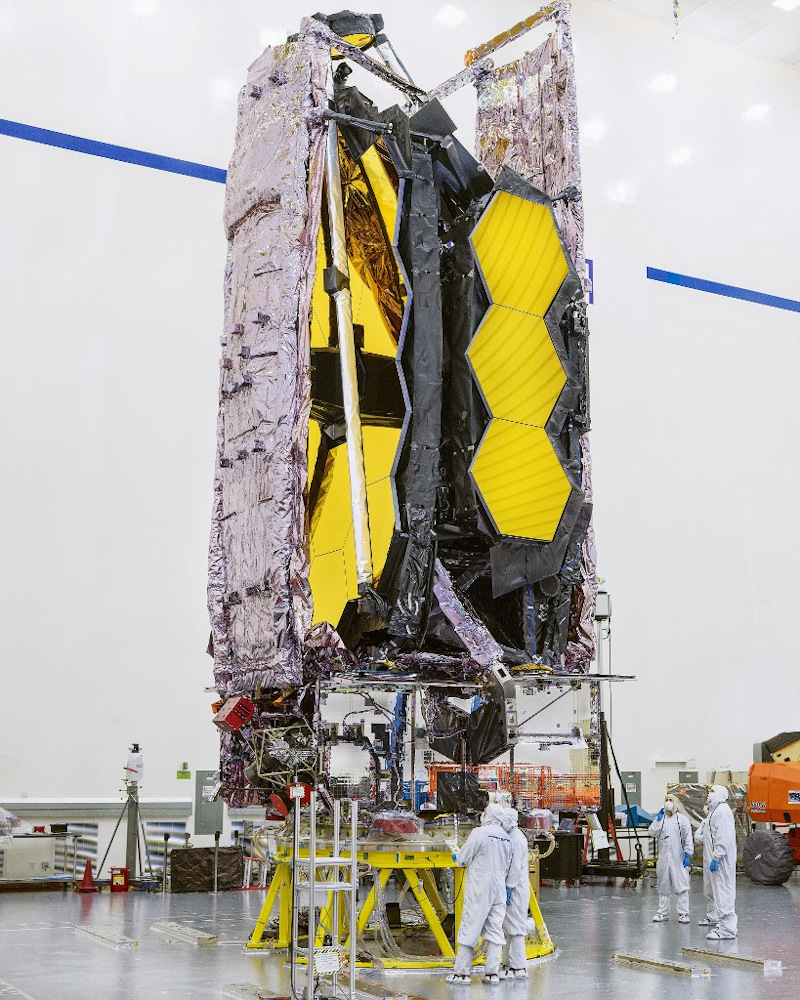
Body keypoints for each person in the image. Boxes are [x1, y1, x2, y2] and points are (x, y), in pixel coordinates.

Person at [447, 802, 512, 986]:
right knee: (494, 929)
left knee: (470, 926)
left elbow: (463, 859)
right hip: (499, 889)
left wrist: (456, 857)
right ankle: (492, 973)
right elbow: (507, 864)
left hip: (480, 888)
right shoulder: (506, 838)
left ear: (488, 814)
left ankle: (462, 973)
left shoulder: (479, 833)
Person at [647, 792, 693, 923]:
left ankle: (684, 913)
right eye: (666, 799)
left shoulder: (682, 820)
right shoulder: (661, 820)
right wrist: (658, 819)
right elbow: (652, 832)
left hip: (679, 859)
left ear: (676, 803)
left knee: (682, 886)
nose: (668, 802)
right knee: (663, 887)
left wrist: (688, 854)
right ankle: (663, 912)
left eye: (670, 800)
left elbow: (688, 838)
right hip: (664, 859)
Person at [499, 807, 530, 980]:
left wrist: (508, 887)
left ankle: (519, 967)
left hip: (516, 890)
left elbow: (515, 868)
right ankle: (508, 963)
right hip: (512, 888)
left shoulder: (517, 839)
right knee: (509, 928)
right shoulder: (510, 836)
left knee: (516, 928)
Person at [704, 784, 738, 939]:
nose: (709, 795)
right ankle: (723, 925)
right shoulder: (716, 811)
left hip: (722, 860)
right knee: (719, 891)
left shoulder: (722, 811)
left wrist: (716, 856)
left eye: (712, 792)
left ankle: (727, 930)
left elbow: (724, 837)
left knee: (724, 891)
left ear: (719, 794)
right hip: (719, 859)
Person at [694, 811, 718, 928]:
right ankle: (712, 917)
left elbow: (721, 840)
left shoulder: (720, 818)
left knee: (718, 890)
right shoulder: (705, 821)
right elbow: (697, 837)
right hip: (708, 860)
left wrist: (717, 857)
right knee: (709, 890)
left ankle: (721, 919)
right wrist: (705, 836)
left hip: (717, 860)